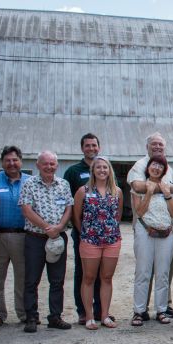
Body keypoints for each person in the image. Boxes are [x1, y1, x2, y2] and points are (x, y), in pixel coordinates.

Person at [19, 151, 74, 333]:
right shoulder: (29, 184)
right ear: (38, 165)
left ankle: (55, 317)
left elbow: (69, 207)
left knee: (57, 280)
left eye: (52, 164)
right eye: (45, 163)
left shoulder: (63, 185)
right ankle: (31, 318)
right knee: (31, 280)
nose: (49, 167)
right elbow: (26, 209)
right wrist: (46, 227)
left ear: (56, 166)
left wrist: (59, 227)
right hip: (35, 238)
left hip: (58, 237)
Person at [127, 132, 173, 320]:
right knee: (143, 271)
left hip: (166, 230)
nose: (157, 147)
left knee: (163, 272)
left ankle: (162, 309)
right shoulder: (139, 166)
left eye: (161, 145)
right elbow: (138, 191)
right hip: (144, 228)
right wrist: (153, 190)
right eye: (154, 144)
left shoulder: (170, 171)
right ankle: (139, 311)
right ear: (147, 147)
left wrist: (168, 191)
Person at [72, 156, 123, 330]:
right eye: (98, 167)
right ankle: (89, 317)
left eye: (105, 167)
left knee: (106, 278)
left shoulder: (117, 191)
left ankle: (105, 316)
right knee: (88, 278)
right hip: (90, 240)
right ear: (92, 170)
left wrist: (109, 230)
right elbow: (76, 216)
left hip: (111, 240)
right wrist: (87, 233)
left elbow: (118, 215)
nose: (102, 170)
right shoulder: (83, 191)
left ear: (110, 170)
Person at [0, 146, 30, 327]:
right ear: (2, 162)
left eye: (15, 160)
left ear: (21, 161)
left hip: (23, 236)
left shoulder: (30, 182)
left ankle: (24, 313)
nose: (12, 163)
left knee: (23, 277)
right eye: (7, 160)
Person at [63, 133, 105, 325]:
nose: (91, 148)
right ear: (82, 148)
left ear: (99, 147)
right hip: (83, 232)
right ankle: (83, 311)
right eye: (87, 145)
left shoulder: (105, 168)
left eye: (94, 145)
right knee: (83, 272)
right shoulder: (73, 171)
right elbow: (69, 205)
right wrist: (81, 231)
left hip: (104, 234)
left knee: (101, 273)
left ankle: (99, 310)